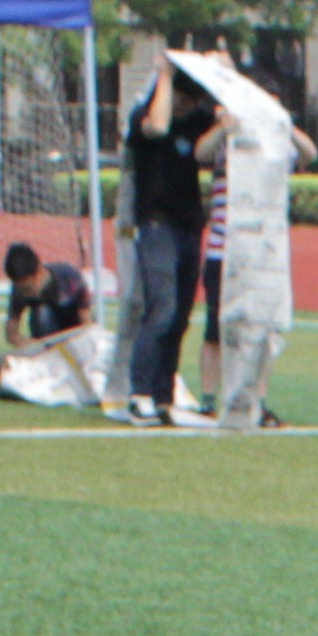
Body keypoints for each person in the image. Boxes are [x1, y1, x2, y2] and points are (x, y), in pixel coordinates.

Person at [197, 60, 308, 428]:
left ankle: (255, 401)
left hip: (264, 254)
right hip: (225, 249)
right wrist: (223, 126)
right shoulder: (232, 133)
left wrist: (285, 126)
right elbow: (201, 152)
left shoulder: (276, 143)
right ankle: (210, 399)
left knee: (262, 331)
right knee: (217, 328)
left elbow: (309, 153)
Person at [112, 41, 206, 426]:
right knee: (161, 309)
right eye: (183, 98)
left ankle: (165, 394)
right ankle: (139, 393)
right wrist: (164, 75)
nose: (187, 107)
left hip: (189, 226)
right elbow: (158, 126)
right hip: (156, 225)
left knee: (180, 316)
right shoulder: (143, 117)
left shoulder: (196, 121)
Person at [0, 235, 112, 405]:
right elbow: (12, 335)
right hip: (47, 343)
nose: (26, 293)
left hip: (76, 337)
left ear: (39, 271)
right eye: (21, 289)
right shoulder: (19, 291)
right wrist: (35, 346)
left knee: (44, 313)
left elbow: (87, 325)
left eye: (28, 288)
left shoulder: (69, 279)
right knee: (41, 313)